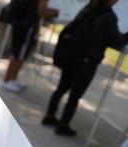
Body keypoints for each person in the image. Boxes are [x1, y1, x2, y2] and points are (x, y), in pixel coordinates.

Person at [42, 0, 128, 137]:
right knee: (75, 95)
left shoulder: (89, 8)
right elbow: (116, 41)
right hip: (86, 61)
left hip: (72, 55)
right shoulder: (108, 17)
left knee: (62, 87)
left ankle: (50, 115)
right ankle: (64, 124)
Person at [1, 0, 59, 93]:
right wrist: (57, 12)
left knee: (18, 53)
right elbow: (41, 10)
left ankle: (11, 79)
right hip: (27, 25)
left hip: (21, 23)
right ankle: (9, 79)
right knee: (19, 54)